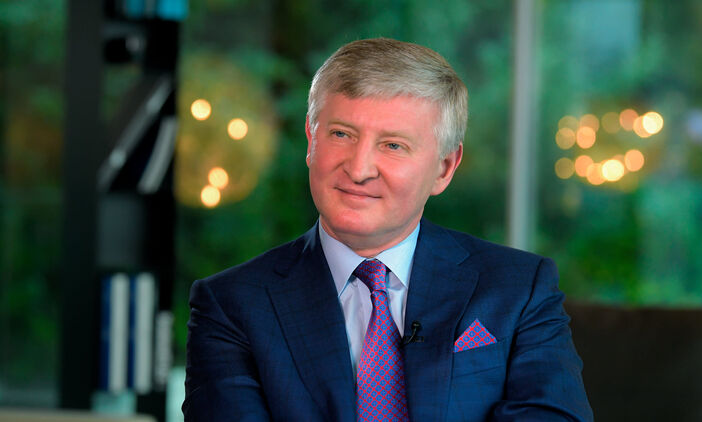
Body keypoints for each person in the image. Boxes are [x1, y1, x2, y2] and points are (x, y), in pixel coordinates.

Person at [183, 37, 593, 422]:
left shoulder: (519, 288)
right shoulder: (231, 305)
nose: (359, 169)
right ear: (311, 139)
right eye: (341, 134)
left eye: (393, 145)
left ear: (444, 168)